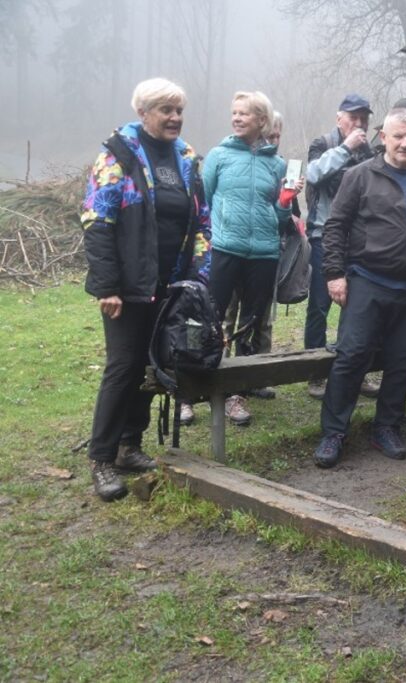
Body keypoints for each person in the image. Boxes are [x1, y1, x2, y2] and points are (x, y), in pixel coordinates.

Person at [81, 77, 211, 501]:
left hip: (170, 285)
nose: (175, 118)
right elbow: (98, 223)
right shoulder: (117, 155)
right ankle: (101, 458)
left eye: (179, 111)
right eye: (165, 110)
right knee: (123, 368)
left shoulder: (187, 158)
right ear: (143, 113)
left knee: (153, 364)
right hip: (126, 286)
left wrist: (198, 275)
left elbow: (202, 221)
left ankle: (129, 446)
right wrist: (107, 286)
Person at [313, 108, 406, 467]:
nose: (405, 143)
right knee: (351, 357)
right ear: (384, 138)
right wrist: (335, 273)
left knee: (403, 362)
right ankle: (333, 432)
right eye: (398, 136)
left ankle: (386, 427)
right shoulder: (360, 176)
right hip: (367, 282)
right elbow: (336, 227)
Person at [203, 91, 301, 426]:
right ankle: (207, 380)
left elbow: (280, 217)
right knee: (214, 318)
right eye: (234, 112)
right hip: (226, 249)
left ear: (262, 120)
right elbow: (203, 202)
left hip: (263, 254)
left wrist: (286, 201)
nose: (237, 118)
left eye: (244, 113)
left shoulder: (277, 165)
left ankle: (237, 394)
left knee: (250, 323)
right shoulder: (218, 156)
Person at [304, 94, 375, 399]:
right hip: (324, 235)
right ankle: (314, 373)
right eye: (353, 118)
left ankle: (356, 369)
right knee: (320, 305)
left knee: (358, 307)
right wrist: (346, 148)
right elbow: (314, 174)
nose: (359, 124)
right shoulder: (323, 143)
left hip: (359, 239)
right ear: (339, 119)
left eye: (363, 119)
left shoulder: (369, 151)